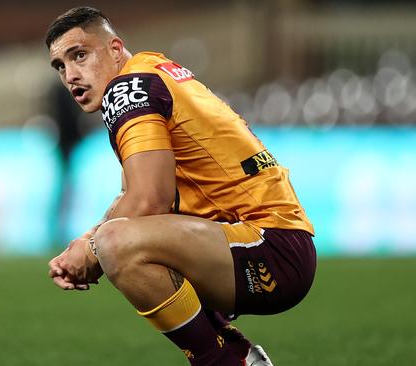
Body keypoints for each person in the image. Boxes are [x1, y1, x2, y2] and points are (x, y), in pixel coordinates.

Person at [46, 7, 316, 366]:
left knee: (115, 243)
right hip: (271, 242)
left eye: (80, 55)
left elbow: (149, 199)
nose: (71, 75)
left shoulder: (128, 89)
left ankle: (227, 360)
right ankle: (240, 355)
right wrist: (85, 241)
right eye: (61, 66)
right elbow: (134, 198)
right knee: (114, 236)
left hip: (268, 245)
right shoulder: (151, 70)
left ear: (114, 49)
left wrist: (91, 249)